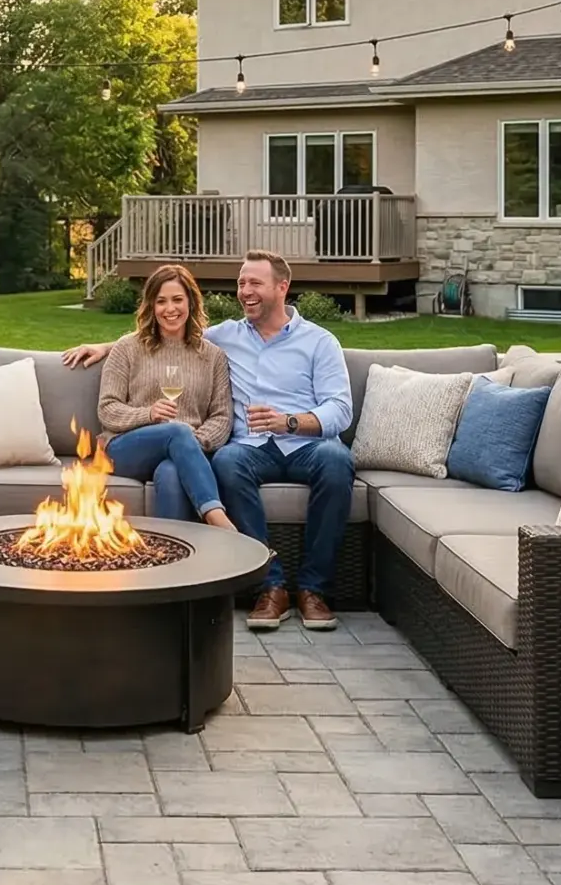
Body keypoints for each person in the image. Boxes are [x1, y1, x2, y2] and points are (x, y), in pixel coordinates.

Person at [65, 250, 352, 632]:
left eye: (254, 283)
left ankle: (305, 591)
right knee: (226, 462)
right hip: (221, 447)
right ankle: (268, 583)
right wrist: (107, 350)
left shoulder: (307, 343)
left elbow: (338, 408)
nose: (245, 291)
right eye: (241, 283)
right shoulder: (219, 336)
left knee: (335, 461)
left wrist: (291, 422)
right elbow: (145, 348)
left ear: (282, 287)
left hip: (304, 443)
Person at [93, 264, 237, 531]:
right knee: (176, 432)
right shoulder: (127, 348)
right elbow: (107, 409)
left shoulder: (213, 356)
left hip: (186, 449)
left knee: (171, 473)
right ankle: (219, 520)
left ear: (191, 302)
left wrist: (191, 442)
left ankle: (172, 562)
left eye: (177, 299)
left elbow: (221, 417)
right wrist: (148, 414)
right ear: (151, 306)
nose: (170, 309)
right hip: (125, 449)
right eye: (161, 301)